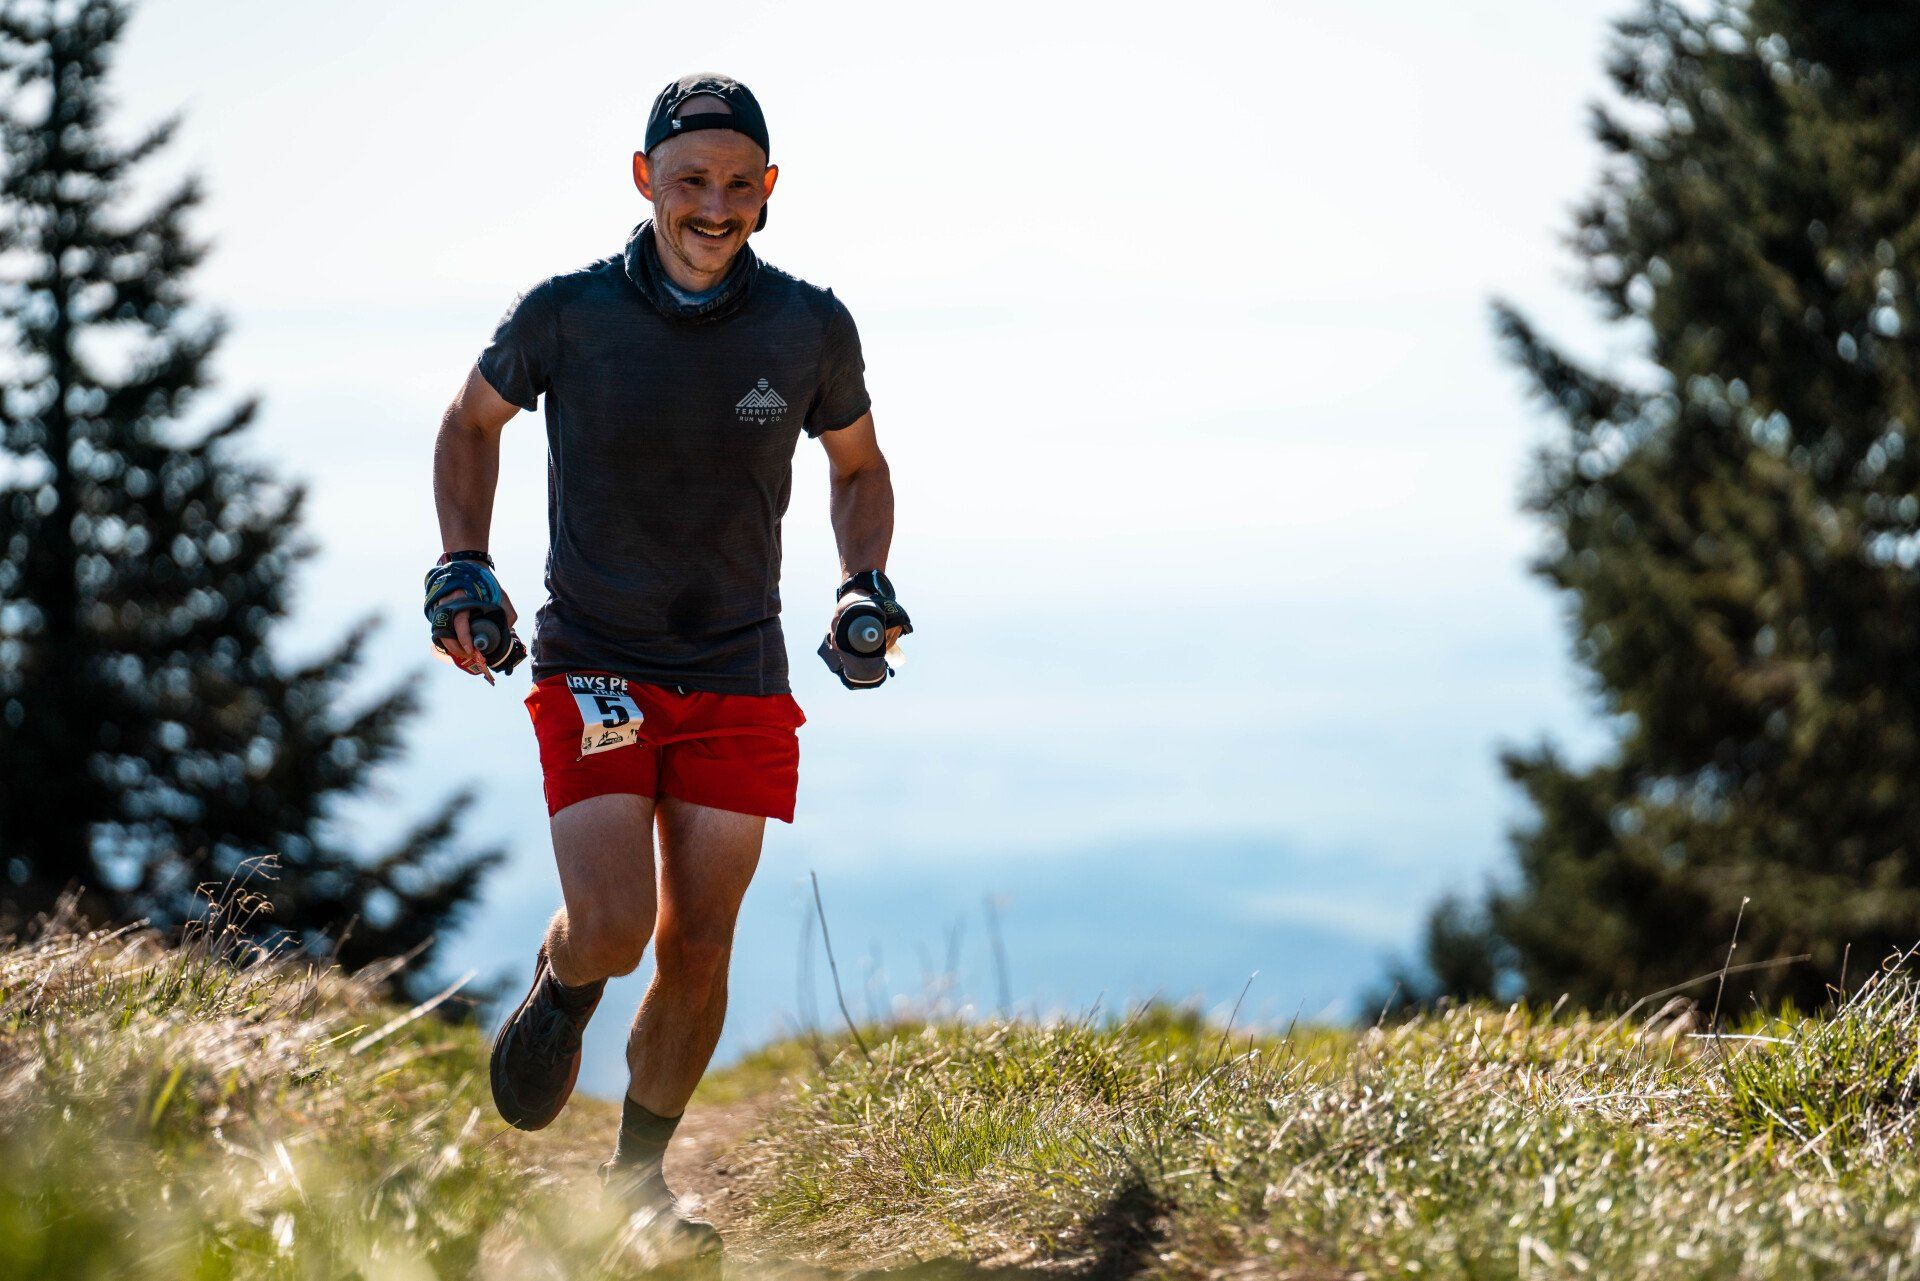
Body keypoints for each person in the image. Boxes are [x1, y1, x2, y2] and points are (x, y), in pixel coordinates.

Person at [426, 72, 908, 1256]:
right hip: (594, 657)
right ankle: (565, 980)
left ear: (769, 194)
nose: (715, 204)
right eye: (692, 180)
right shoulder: (567, 314)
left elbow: (858, 465)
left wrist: (862, 583)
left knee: (700, 942)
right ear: (646, 180)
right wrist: (463, 564)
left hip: (738, 672)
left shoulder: (808, 328)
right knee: (613, 924)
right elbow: (470, 423)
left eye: (741, 185)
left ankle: (637, 1185)